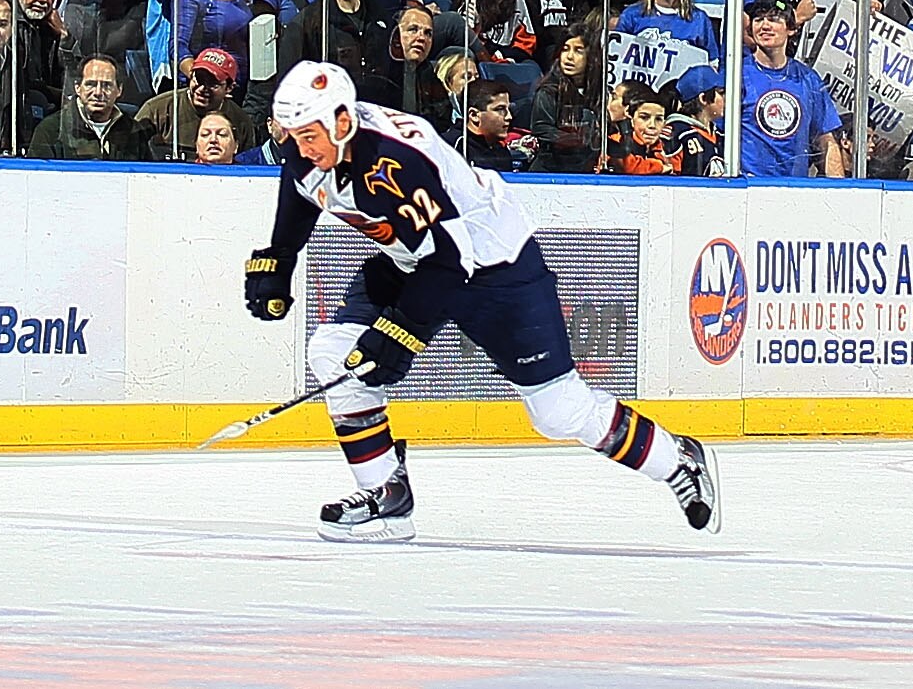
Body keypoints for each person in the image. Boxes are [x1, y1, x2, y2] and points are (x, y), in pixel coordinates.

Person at [245, 58, 717, 542]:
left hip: (494, 266)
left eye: (308, 136)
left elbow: (450, 261)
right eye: (294, 135)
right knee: (332, 353)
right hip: (414, 259)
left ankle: (676, 459)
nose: (300, 148)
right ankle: (386, 495)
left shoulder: (396, 160)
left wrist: (399, 335)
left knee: (557, 409)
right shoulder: (316, 145)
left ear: (343, 121)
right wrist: (279, 258)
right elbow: (301, 186)